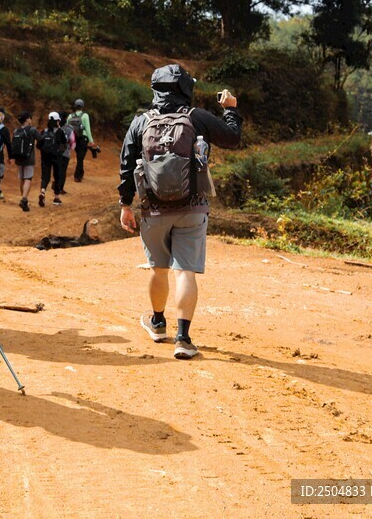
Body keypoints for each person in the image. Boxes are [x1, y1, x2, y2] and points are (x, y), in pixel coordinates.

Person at [118, 64, 242, 360]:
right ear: (186, 88)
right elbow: (232, 138)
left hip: (153, 209)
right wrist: (232, 109)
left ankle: (158, 322)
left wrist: (125, 205)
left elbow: (126, 165)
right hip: (192, 207)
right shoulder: (196, 117)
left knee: (158, 268)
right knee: (185, 270)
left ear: (155, 90)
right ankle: (183, 339)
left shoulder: (140, 122)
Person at [38, 112, 69, 207]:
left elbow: (39, 144)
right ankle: (56, 197)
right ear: (57, 121)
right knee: (57, 176)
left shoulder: (44, 131)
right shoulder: (60, 132)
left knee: (45, 176)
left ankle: (42, 192)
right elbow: (65, 143)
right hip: (57, 157)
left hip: (45, 157)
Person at [11, 112, 40, 211]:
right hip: (28, 158)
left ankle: (23, 197)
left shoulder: (16, 131)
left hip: (18, 158)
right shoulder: (32, 130)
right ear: (27, 119)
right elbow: (40, 140)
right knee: (28, 178)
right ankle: (24, 199)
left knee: (22, 178)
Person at [67, 99, 97, 182]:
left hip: (74, 139)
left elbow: (67, 128)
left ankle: (81, 172)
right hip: (83, 138)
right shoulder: (85, 116)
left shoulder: (70, 116)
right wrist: (91, 141)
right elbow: (87, 129)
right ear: (82, 106)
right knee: (80, 158)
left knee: (79, 157)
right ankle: (77, 176)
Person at [57, 111, 77, 195]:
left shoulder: (56, 128)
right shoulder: (69, 129)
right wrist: (70, 148)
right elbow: (73, 143)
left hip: (56, 153)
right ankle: (60, 188)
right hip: (65, 153)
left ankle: (56, 186)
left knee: (57, 170)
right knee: (63, 171)